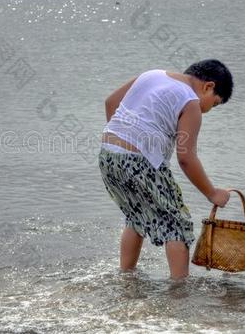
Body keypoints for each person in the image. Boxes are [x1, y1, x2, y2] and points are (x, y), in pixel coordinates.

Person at [98, 59, 233, 280]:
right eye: (214, 104)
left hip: (108, 155)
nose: (208, 110)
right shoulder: (190, 102)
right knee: (178, 223)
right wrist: (212, 193)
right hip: (139, 161)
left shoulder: (152, 74)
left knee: (136, 215)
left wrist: (123, 138)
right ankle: (179, 290)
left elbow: (110, 102)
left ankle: (126, 276)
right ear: (208, 86)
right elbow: (186, 158)